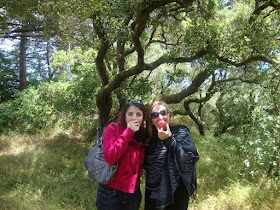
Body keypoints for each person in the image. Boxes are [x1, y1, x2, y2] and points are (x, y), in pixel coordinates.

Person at [144, 101, 199, 210]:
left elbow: (186, 163)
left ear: (169, 115)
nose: (160, 117)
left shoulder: (181, 132)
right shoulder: (149, 139)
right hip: (153, 194)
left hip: (177, 195)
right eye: (155, 115)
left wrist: (169, 140)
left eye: (163, 113)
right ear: (150, 120)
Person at [96, 99, 148, 210]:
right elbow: (110, 158)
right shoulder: (113, 129)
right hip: (110, 193)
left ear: (143, 118)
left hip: (133, 194)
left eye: (138, 114)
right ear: (124, 116)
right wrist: (128, 132)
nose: (134, 117)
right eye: (130, 114)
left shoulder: (143, 136)